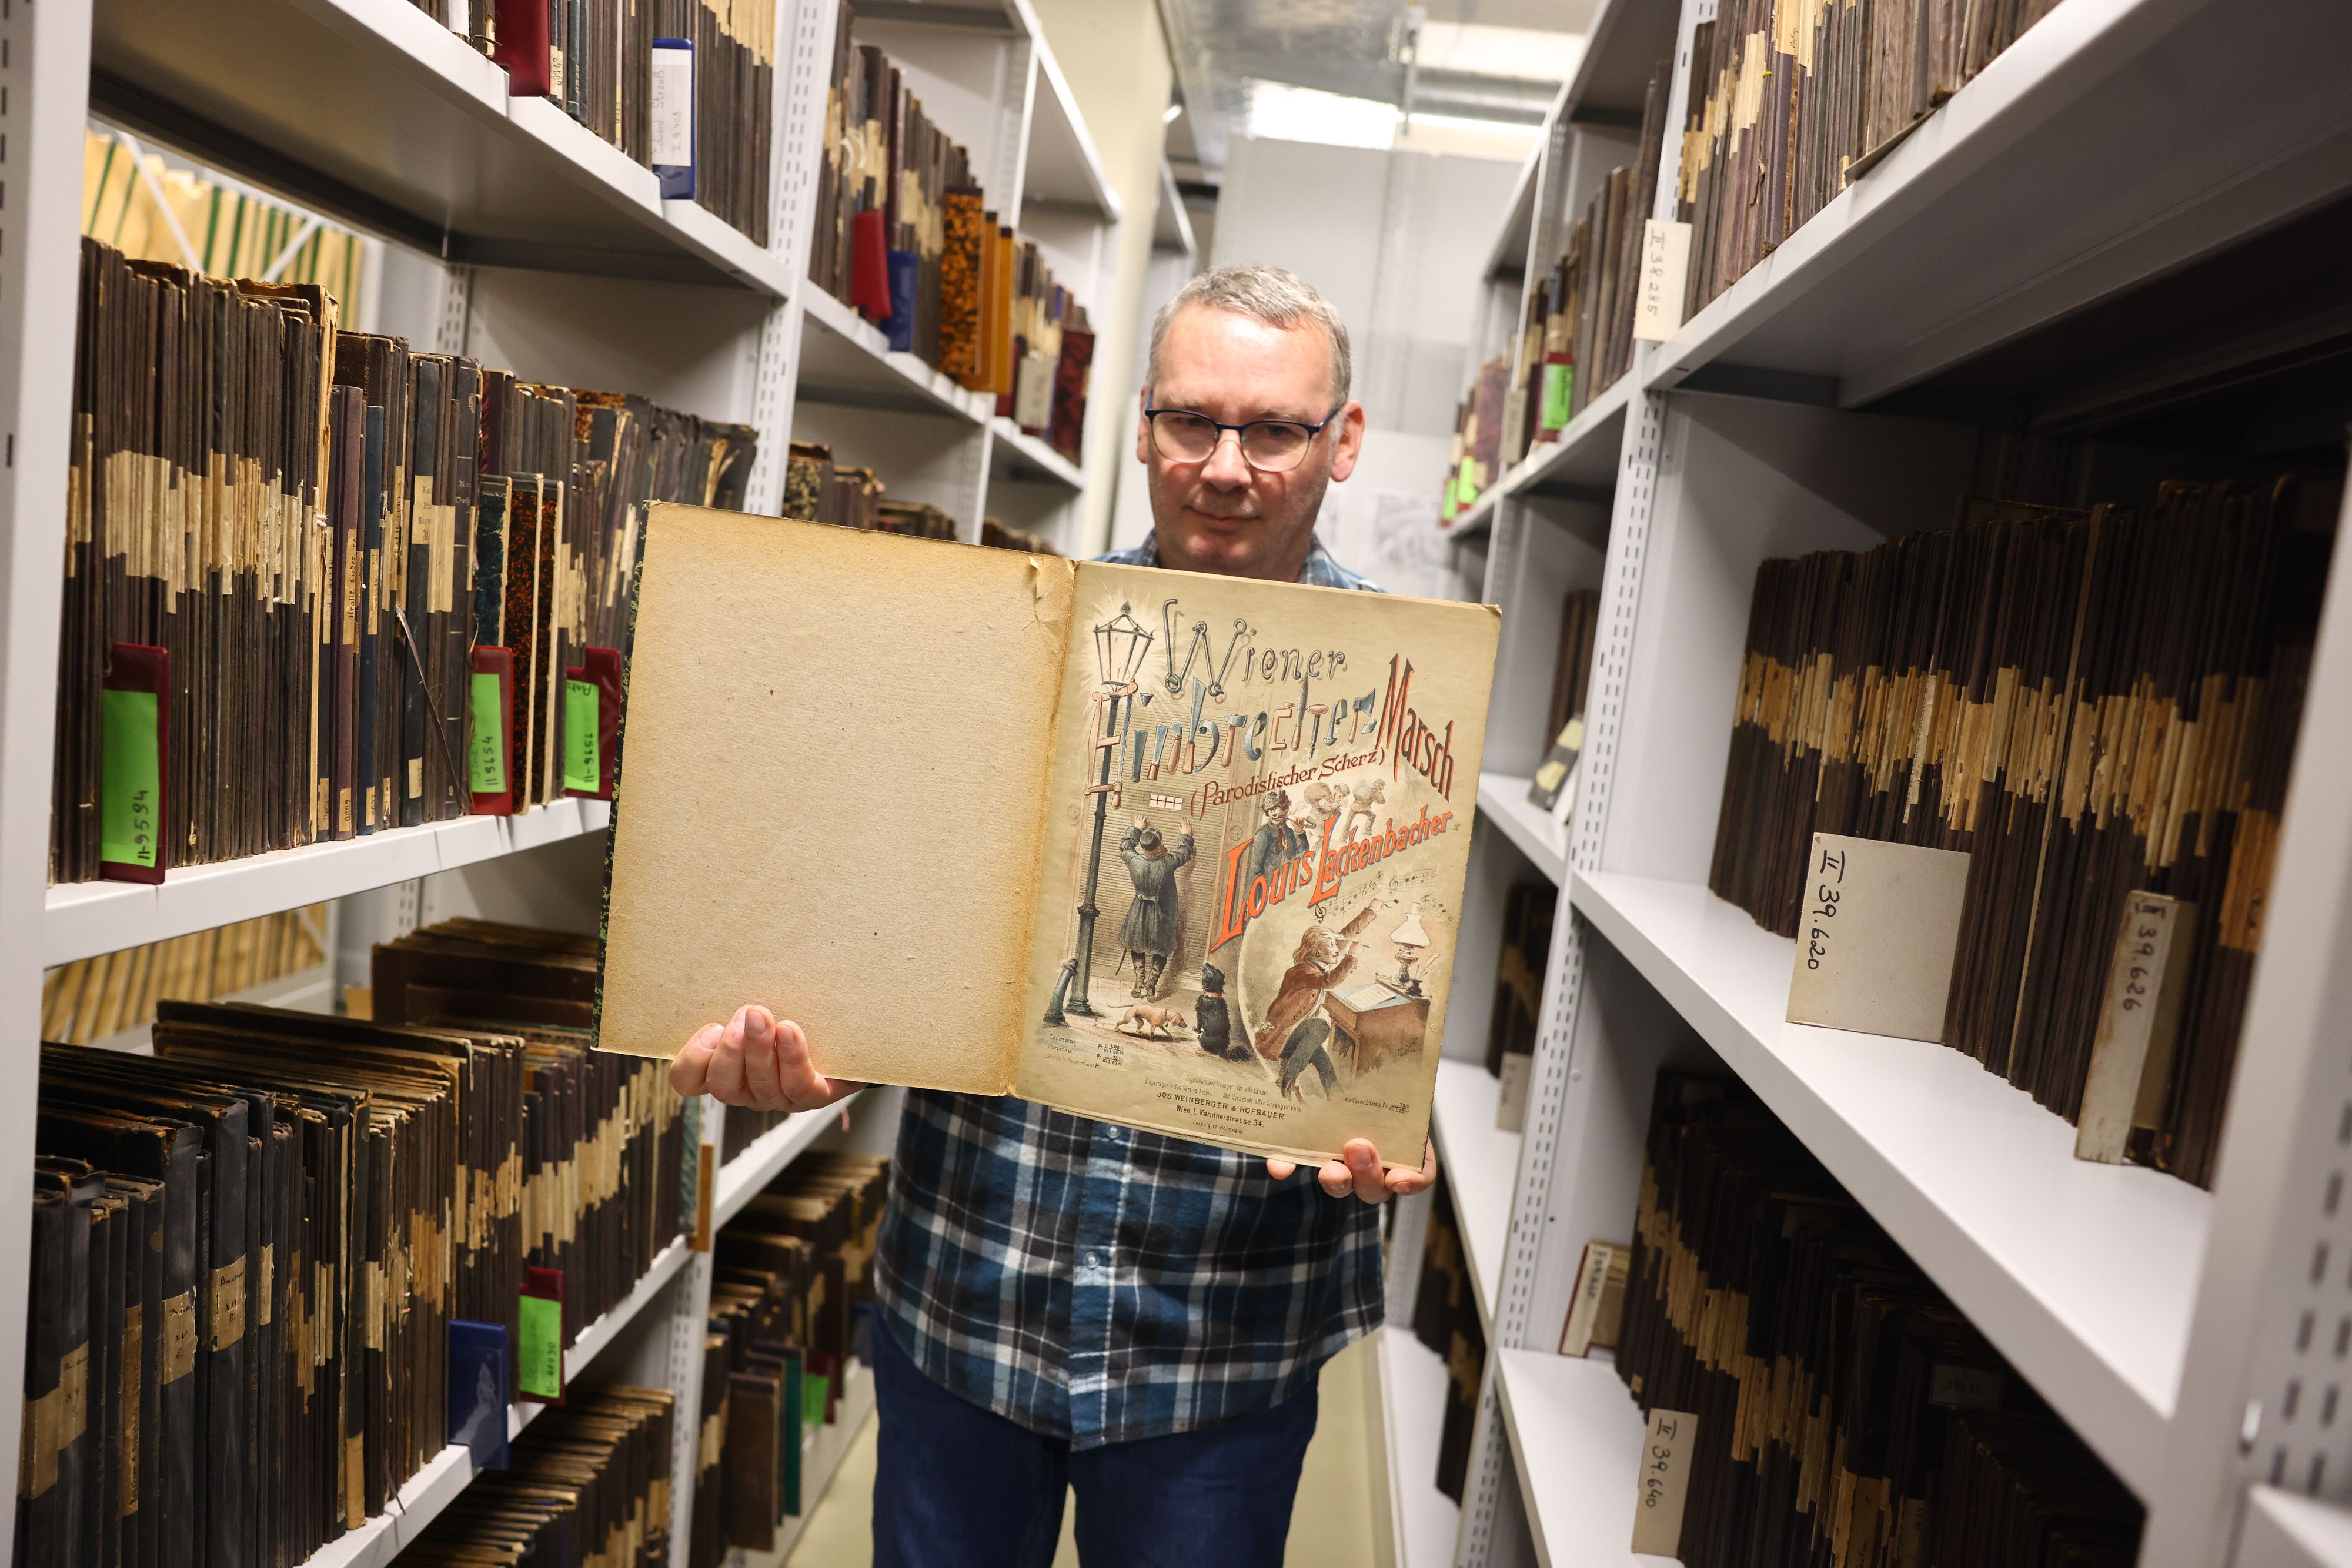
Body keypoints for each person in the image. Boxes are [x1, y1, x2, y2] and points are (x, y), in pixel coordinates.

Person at [670, 265, 1439, 1568]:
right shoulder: (1011, 643)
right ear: (1140, 425)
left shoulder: (1410, 699)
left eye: (1273, 429)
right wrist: (808, 1042)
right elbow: (898, 925)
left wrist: (1373, 1122)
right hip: (971, 1298)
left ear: (1342, 440)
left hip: (1221, 1344)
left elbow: (1387, 991)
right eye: (1191, 420)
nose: (1225, 465)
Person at [1115, 817, 1195, 998]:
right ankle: (1151, 984)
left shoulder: (1134, 861)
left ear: (1143, 848)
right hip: (1161, 915)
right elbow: (1184, 852)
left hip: (1139, 912)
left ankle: (1139, 982)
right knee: (1162, 948)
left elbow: (1125, 848)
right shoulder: (1168, 862)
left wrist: (1136, 829)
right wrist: (1185, 835)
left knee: (1137, 945)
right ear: (1159, 845)